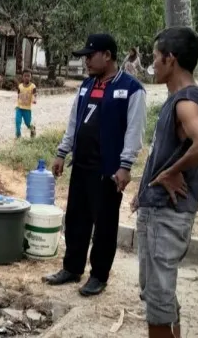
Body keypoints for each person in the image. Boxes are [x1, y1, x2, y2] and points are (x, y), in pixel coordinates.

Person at [44, 33, 147, 296]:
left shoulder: (132, 89)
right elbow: (73, 123)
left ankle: (99, 275)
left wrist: (125, 166)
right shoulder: (85, 86)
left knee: (105, 225)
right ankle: (72, 268)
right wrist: (62, 152)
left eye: (90, 56)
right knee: (77, 219)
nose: (86, 61)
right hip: (81, 166)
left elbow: (135, 132)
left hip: (108, 171)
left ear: (108, 56)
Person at [133, 27, 198, 338]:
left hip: (166, 216)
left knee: (158, 300)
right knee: (161, 295)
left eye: (155, 57)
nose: (151, 63)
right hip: (157, 210)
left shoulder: (184, 102)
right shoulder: (177, 99)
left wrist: (171, 173)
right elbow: (163, 154)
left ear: (171, 59)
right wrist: (144, 191)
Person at [15, 69, 37, 139]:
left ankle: (32, 128)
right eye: (25, 76)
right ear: (22, 77)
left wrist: (34, 100)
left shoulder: (33, 86)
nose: (26, 77)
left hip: (27, 109)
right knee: (17, 122)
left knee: (28, 124)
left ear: (31, 77)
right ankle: (18, 136)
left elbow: (34, 94)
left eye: (28, 76)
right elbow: (18, 95)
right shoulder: (20, 86)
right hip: (19, 108)